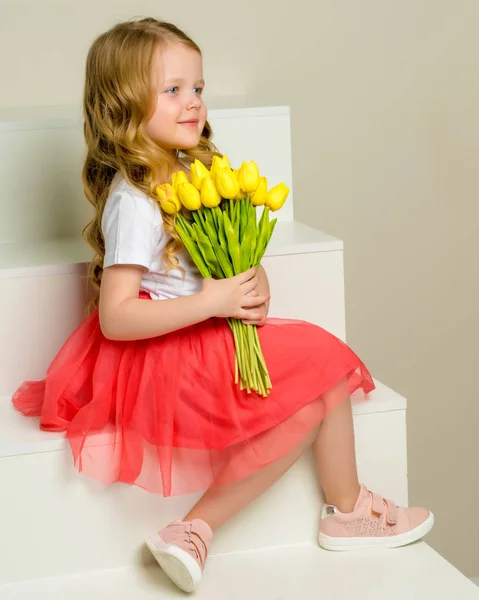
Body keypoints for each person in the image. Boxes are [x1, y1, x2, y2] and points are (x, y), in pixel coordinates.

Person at [12, 17, 434, 594]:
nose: (193, 104)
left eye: (198, 89)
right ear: (124, 107)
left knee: (322, 369)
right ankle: (230, 523)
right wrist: (214, 300)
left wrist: (247, 283)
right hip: (165, 357)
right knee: (323, 368)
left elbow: (204, 267)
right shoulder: (135, 199)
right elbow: (117, 316)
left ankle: (338, 510)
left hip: (205, 332)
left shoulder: (192, 171)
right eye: (173, 90)